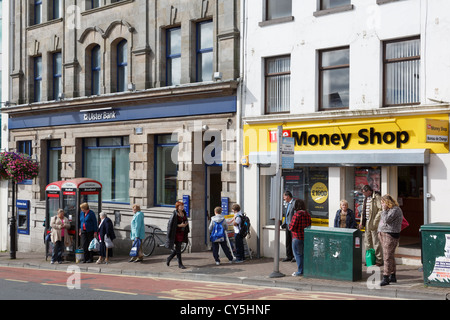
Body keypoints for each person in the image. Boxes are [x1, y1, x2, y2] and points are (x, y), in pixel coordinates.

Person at [378, 194, 403, 286]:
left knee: (387, 257)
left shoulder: (395, 210)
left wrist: (384, 210)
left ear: (387, 202)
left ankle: (386, 277)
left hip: (390, 235)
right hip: (383, 233)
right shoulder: (389, 210)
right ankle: (392, 276)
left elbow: (386, 220)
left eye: (383, 203)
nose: (382, 205)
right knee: (390, 256)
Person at [359, 185, 383, 266]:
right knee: (367, 242)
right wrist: (361, 223)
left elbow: (381, 209)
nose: (363, 194)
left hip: (374, 223)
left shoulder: (376, 197)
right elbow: (363, 212)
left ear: (368, 191)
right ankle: (369, 259)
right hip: (366, 223)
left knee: (376, 241)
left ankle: (379, 260)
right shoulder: (365, 198)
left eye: (364, 192)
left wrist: (376, 220)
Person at [288, 199, 311, 277]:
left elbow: (292, 227)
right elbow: (309, 225)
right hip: (305, 237)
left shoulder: (297, 214)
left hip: (297, 237)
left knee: (298, 255)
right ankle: (305, 270)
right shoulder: (307, 214)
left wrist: (289, 226)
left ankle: (300, 271)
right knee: (304, 255)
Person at [165, 201, 190, 269]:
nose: (182, 207)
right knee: (178, 249)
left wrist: (186, 224)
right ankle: (180, 264)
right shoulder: (174, 214)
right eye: (181, 206)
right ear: (177, 207)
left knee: (178, 249)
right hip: (175, 233)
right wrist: (179, 225)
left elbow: (185, 220)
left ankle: (169, 258)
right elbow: (171, 225)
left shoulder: (184, 213)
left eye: (183, 206)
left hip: (182, 232)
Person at [282, 191, 295, 262]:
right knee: (288, 241)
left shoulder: (294, 203)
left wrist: (293, 224)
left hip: (292, 226)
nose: (284, 198)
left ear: (288, 196)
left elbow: (294, 215)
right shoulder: (287, 204)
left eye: (284, 197)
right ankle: (288, 256)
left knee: (293, 241)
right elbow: (286, 214)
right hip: (287, 225)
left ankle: (294, 256)